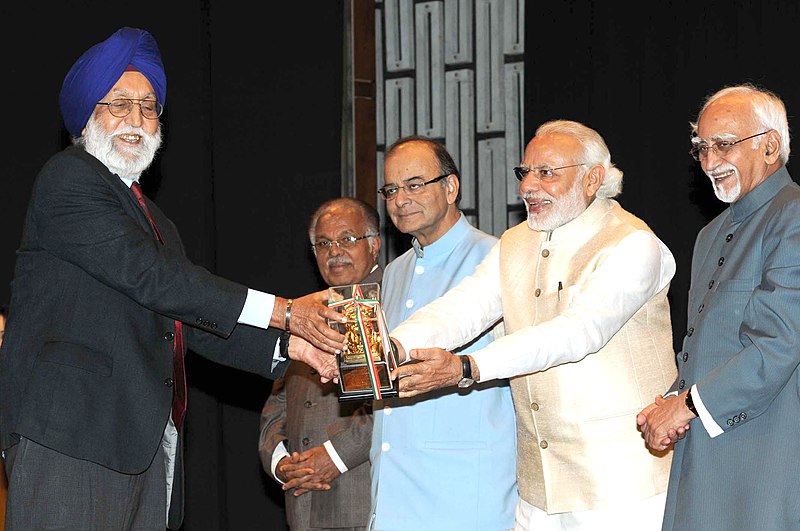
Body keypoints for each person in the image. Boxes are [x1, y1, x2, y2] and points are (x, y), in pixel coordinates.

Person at [0, 27, 343, 530]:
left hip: (149, 444)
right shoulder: (67, 179)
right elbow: (154, 279)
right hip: (72, 437)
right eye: (119, 104)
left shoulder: (159, 223)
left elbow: (193, 319)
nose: (136, 120)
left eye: (148, 107)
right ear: (87, 114)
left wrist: (291, 346)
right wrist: (285, 310)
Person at [388, 121, 678, 530]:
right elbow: (462, 307)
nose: (527, 187)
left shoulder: (632, 244)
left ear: (593, 178)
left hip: (621, 486)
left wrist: (466, 367)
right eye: (525, 173)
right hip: (538, 487)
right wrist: (391, 346)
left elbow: (576, 333)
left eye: (546, 173)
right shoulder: (516, 241)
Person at [637, 83, 800, 530]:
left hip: (766, 458)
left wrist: (686, 405)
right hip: (704, 453)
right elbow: (708, 342)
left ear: (770, 146)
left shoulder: (794, 216)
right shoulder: (710, 234)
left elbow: (778, 345)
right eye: (702, 148)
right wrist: (670, 399)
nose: (710, 162)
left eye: (724, 145)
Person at [368, 136, 518, 531]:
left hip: (467, 492)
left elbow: (523, 362)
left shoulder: (498, 258)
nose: (401, 199)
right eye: (391, 189)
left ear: (450, 187)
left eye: (415, 184)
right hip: (392, 490)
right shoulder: (395, 271)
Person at [260, 198, 382, 531]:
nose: (334, 250)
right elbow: (276, 405)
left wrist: (332, 456)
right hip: (302, 503)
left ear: (374, 244)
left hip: (363, 497)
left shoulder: (395, 302)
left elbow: (394, 405)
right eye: (323, 243)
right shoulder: (302, 313)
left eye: (346, 239)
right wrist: (283, 463)